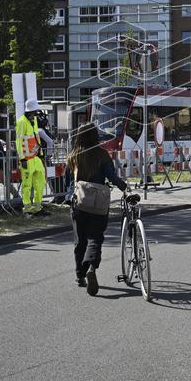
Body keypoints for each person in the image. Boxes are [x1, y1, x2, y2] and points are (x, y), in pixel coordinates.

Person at [67, 123, 128, 295]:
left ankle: (80, 275)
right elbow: (112, 177)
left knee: (80, 240)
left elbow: (68, 183)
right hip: (98, 204)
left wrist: (66, 197)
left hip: (79, 204)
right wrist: (124, 187)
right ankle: (92, 267)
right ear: (96, 137)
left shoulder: (74, 156)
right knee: (95, 238)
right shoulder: (102, 155)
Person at [15, 98, 46, 216]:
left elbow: (36, 137)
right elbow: (19, 141)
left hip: (35, 157)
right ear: (30, 111)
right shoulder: (22, 122)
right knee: (27, 185)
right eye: (34, 111)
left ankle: (38, 207)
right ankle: (27, 209)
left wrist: (41, 155)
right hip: (27, 159)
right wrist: (22, 158)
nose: (36, 113)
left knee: (40, 182)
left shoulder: (34, 120)